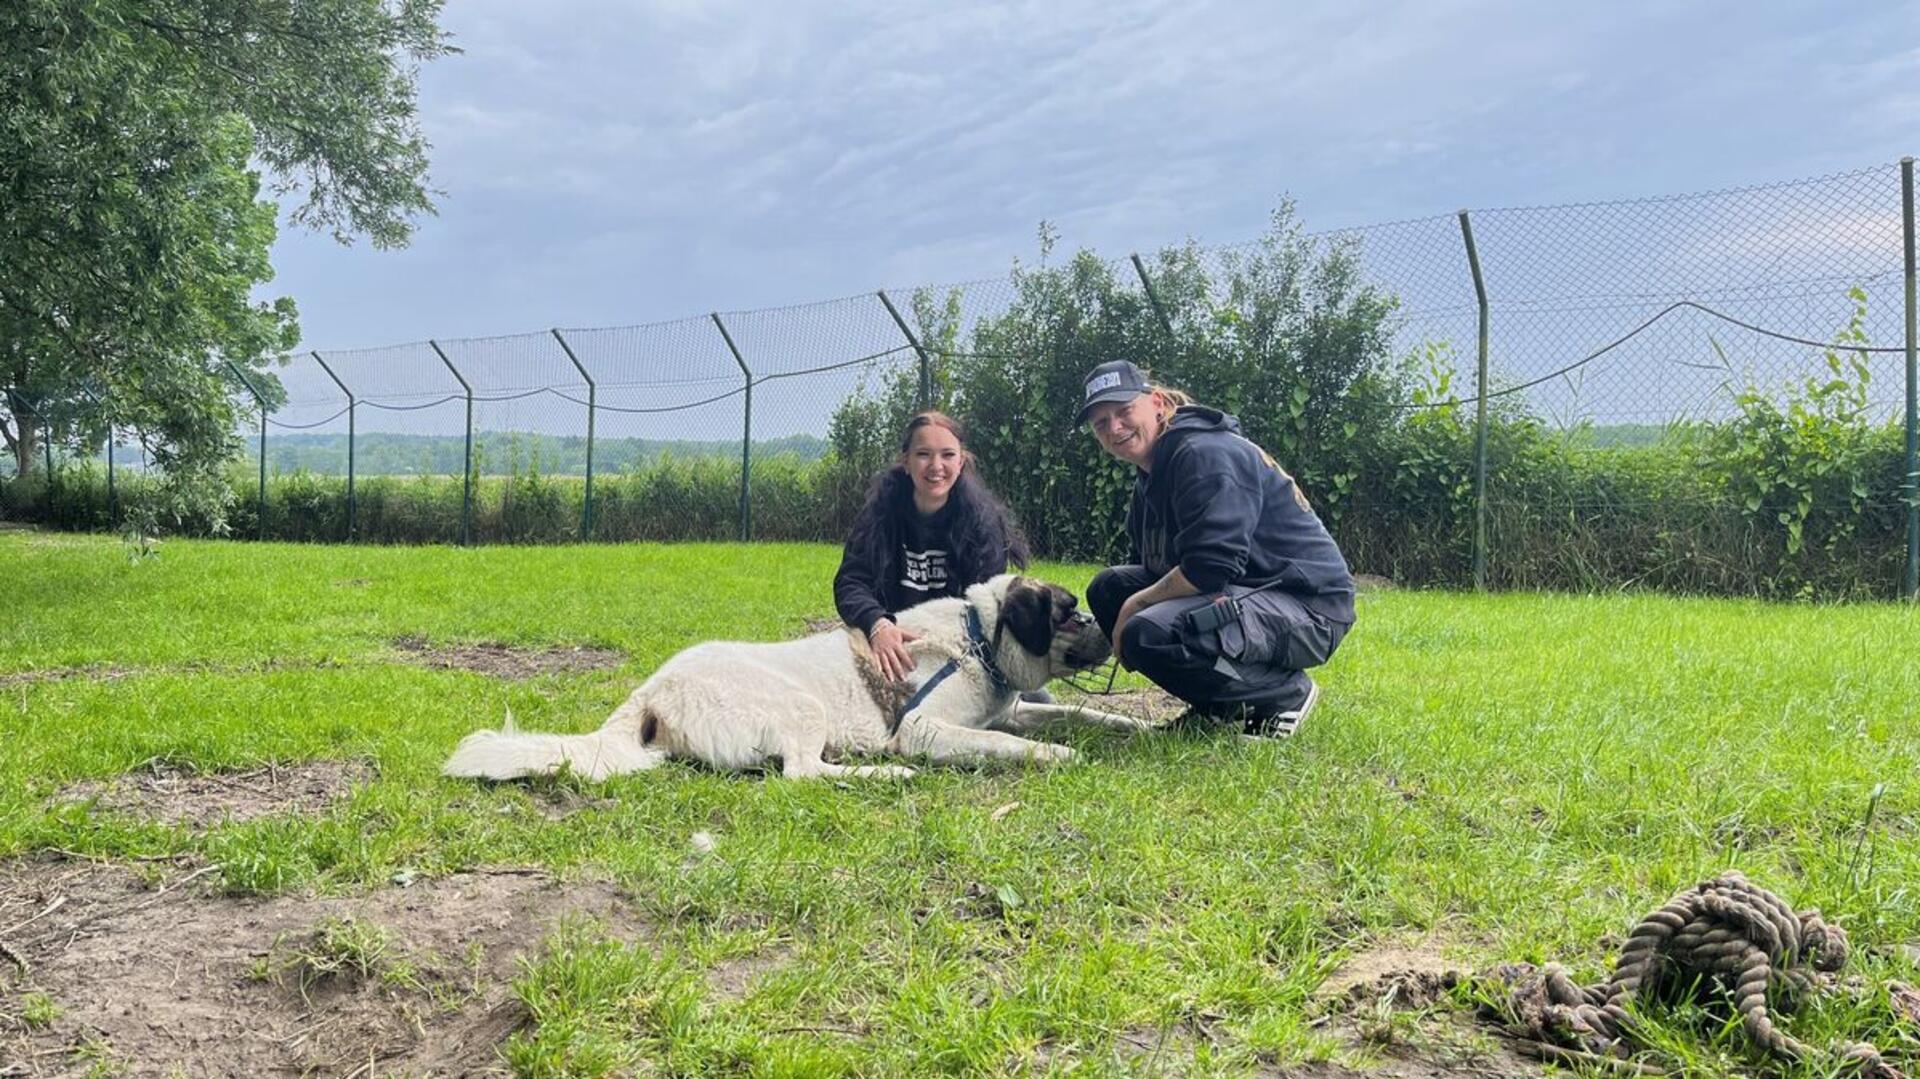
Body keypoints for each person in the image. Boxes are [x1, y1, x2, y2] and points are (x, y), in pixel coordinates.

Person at [1076, 359, 1355, 737]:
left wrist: (1136, 606)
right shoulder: (1153, 472)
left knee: (1148, 630)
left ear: (1156, 402)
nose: (1115, 427)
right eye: (1101, 423)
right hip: (1248, 595)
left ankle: (1283, 695)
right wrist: (1123, 604)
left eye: (1123, 411)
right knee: (1108, 590)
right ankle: (1219, 707)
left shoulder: (1203, 453)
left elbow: (1210, 567)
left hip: (1309, 608)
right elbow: (1149, 566)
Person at [834, 411, 1033, 685]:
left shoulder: (983, 524)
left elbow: (984, 607)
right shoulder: (879, 515)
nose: (936, 466)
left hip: (955, 647)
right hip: (889, 641)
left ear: (961, 462)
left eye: (948, 455)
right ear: (906, 461)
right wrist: (878, 625)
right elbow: (851, 583)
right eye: (924, 454)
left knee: (1024, 699)